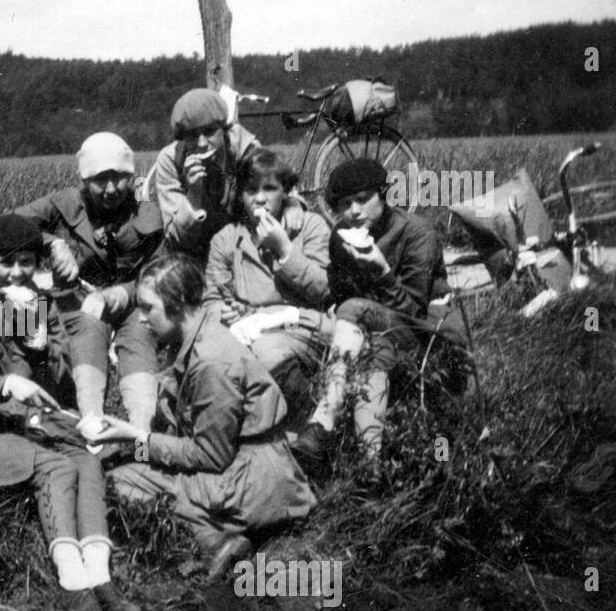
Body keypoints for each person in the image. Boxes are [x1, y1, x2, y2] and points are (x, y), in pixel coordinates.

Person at [0, 213, 142, 611]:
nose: (18, 272)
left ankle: (100, 576)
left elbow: (57, 381)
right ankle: (73, 583)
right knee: (56, 466)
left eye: (26, 261)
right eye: (7, 263)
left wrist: (38, 344)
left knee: (85, 454)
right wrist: (6, 384)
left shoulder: (38, 305)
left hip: (16, 420)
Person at [90, 254, 316, 578]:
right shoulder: (200, 336)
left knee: (120, 482)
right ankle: (225, 537)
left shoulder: (211, 361)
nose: (141, 319)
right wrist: (134, 443)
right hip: (252, 466)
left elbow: (211, 455)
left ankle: (218, 541)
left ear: (178, 303)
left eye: (148, 307)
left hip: (254, 479)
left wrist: (136, 439)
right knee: (132, 464)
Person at [290, 157, 447, 465]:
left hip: (422, 335)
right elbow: (339, 291)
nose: (354, 211)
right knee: (374, 358)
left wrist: (382, 270)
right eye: (345, 204)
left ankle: (323, 418)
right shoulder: (342, 235)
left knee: (354, 310)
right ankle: (370, 466)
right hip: (373, 335)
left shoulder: (417, 233)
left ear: (383, 194)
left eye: (363, 200)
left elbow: (415, 312)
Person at [13, 131, 166, 435]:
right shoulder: (64, 203)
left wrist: (122, 294)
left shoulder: (146, 207)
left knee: (139, 335)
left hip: (134, 302)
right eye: (100, 180)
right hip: (81, 304)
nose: (111, 189)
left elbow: (158, 271)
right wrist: (52, 244)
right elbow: (8, 227)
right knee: (89, 328)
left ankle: (141, 433)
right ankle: (92, 424)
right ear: (84, 181)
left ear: (131, 177)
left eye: (120, 178)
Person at [204, 149, 333, 407]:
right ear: (240, 195)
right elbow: (212, 300)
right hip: (249, 325)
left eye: (270, 188)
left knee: (267, 349)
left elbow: (324, 289)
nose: (260, 199)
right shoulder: (227, 238)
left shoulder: (310, 226)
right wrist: (225, 311)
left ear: (285, 192)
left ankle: (311, 418)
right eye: (251, 190)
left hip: (300, 323)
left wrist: (285, 249)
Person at [149, 87, 265, 261]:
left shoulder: (245, 149)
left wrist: (293, 203)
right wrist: (193, 195)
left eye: (210, 131)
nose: (202, 143)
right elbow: (175, 239)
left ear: (224, 128)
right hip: (191, 252)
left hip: (239, 246)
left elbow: (278, 187)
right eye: (192, 135)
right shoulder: (171, 160)